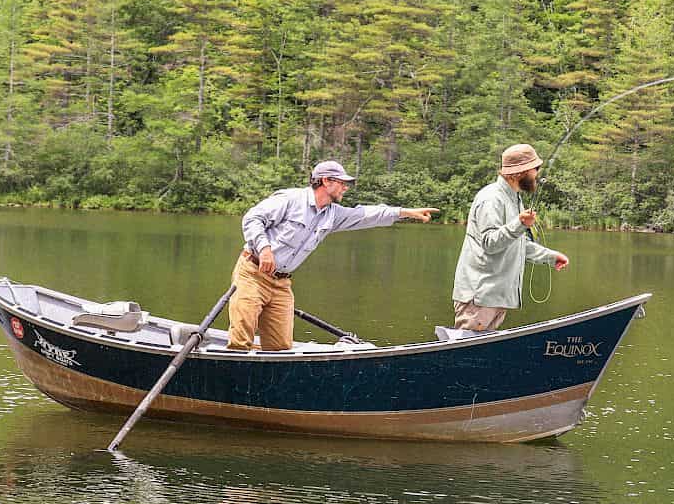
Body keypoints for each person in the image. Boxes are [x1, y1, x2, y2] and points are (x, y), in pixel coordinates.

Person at [230, 160, 437, 351]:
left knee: (281, 349)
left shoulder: (333, 214)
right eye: (342, 182)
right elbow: (252, 218)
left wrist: (406, 212)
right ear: (326, 181)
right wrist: (265, 249)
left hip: (281, 284)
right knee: (241, 340)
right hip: (252, 274)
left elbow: (367, 215)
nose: (346, 187)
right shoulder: (291, 199)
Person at [451, 143, 569, 332]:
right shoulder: (491, 199)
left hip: (496, 297)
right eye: (535, 169)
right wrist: (520, 223)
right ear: (518, 173)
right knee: (464, 354)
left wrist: (550, 256)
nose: (537, 174)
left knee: (478, 356)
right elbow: (490, 243)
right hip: (479, 297)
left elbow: (518, 244)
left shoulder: (514, 199)